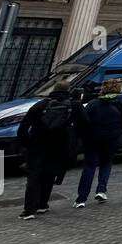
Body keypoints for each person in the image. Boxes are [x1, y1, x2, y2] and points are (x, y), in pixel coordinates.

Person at [16, 87, 86, 220]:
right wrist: (76, 144)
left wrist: (25, 145)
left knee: (33, 177)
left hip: (37, 144)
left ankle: (29, 209)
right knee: (49, 175)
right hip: (59, 146)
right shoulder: (74, 106)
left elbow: (23, 127)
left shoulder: (40, 105)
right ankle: (43, 204)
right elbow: (85, 125)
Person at [75, 78, 122, 208]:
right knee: (106, 162)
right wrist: (121, 130)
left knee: (89, 166)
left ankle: (81, 198)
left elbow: (84, 121)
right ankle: (101, 190)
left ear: (103, 89)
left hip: (93, 138)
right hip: (113, 137)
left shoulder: (93, 103)